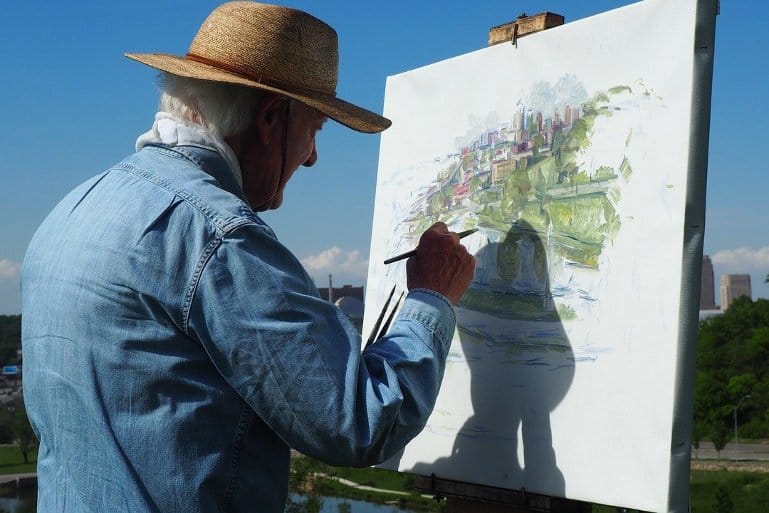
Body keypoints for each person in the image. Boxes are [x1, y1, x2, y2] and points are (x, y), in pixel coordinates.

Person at [21, 2, 475, 512]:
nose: (312, 157)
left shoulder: (74, 209)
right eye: (314, 130)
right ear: (270, 118)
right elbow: (362, 422)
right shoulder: (220, 238)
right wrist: (430, 298)